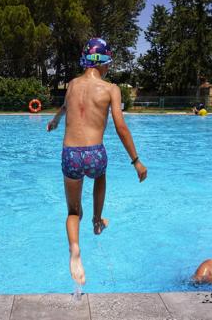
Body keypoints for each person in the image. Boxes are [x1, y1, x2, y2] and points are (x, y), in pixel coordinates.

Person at [47, 38, 148, 286]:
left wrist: (56, 121)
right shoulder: (111, 89)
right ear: (104, 63)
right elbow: (121, 126)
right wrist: (136, 160)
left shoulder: (71, 84)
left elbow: (65, 105)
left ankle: (74, 250)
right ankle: (97, 220)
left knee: (72, 211)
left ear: (85, 61)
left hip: (70, 152)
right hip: (95, 152)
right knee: (99, 176)